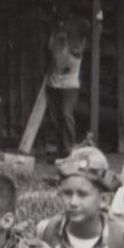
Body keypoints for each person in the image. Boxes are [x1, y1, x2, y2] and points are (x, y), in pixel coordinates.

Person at [45, 17, 88, 152]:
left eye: (63, 37)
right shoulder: (54, 45)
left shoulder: (75, 49)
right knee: (55, 118)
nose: (61, 38)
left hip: (70, 86)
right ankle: (59, 148)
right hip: (53, 85)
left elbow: (67, 62)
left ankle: (70, 146)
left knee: (66, 114)